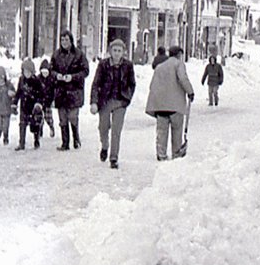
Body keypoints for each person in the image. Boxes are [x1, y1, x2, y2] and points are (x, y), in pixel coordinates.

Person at [90, 38, 136, 169]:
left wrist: (127, 98)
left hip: (120, 101)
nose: (116, 53)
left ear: (123, 52)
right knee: (103, 127)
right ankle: (104, 146)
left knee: (116, 130)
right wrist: (94, 101)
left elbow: (132, 84)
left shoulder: (128, 66)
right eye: (114, 50)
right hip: (105, 100)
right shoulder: (103, 65)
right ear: (110, 51)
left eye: (119, 51)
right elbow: (96, 84)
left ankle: (114, 157)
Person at [145, 44, 195, 161]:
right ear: (179, 55)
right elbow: (183, 79)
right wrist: (190, 92)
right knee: (177, 130)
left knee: (161, 131)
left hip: (160, 106)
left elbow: (152, 85)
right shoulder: (178, 64)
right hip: (175, 105)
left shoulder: (159, 67)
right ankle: (176, 153)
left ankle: (161, 153)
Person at [50, 29, 89, 150]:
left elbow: (85, 71)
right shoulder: (56, 55)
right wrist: (57, 75)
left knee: (72, 116)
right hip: (61, 90)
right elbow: (51, 70)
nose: (64, 42)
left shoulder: (79, 54)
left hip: (74, 90)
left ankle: (75, 138)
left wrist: (72, 77)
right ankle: (65, 142)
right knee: (62, 118)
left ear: (71, 40)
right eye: (62, 40)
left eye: (66, 39)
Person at [13, 58, 44, 151]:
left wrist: (38, 103)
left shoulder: (36, 81)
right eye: (25, 71)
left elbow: (41, 94)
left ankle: (36, 140)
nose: (27, 73)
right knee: (22, 124)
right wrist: (15, 103)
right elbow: (18, 92)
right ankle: (21, 143)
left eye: (29, 71)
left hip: (33, 108)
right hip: (24, 106)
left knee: (34, 126)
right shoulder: (21, 80)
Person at [38, 59, 57, 137]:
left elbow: (54, 90)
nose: (44, 74)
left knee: (48, 117)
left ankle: (51, 128)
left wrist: (53, 100)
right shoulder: (38, 79)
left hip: (48, 101)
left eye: (46, 72)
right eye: (43, 72)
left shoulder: (51, 79)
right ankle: (39, 130)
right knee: (39, 117)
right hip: (40, 101)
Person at [0, 65, 14, 146]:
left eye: (1, 78)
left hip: (7, 110)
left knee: (6, 126)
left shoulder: (9, 85)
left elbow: (14, 93)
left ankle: (6, 137)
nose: (0, 81)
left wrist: (12, 94)